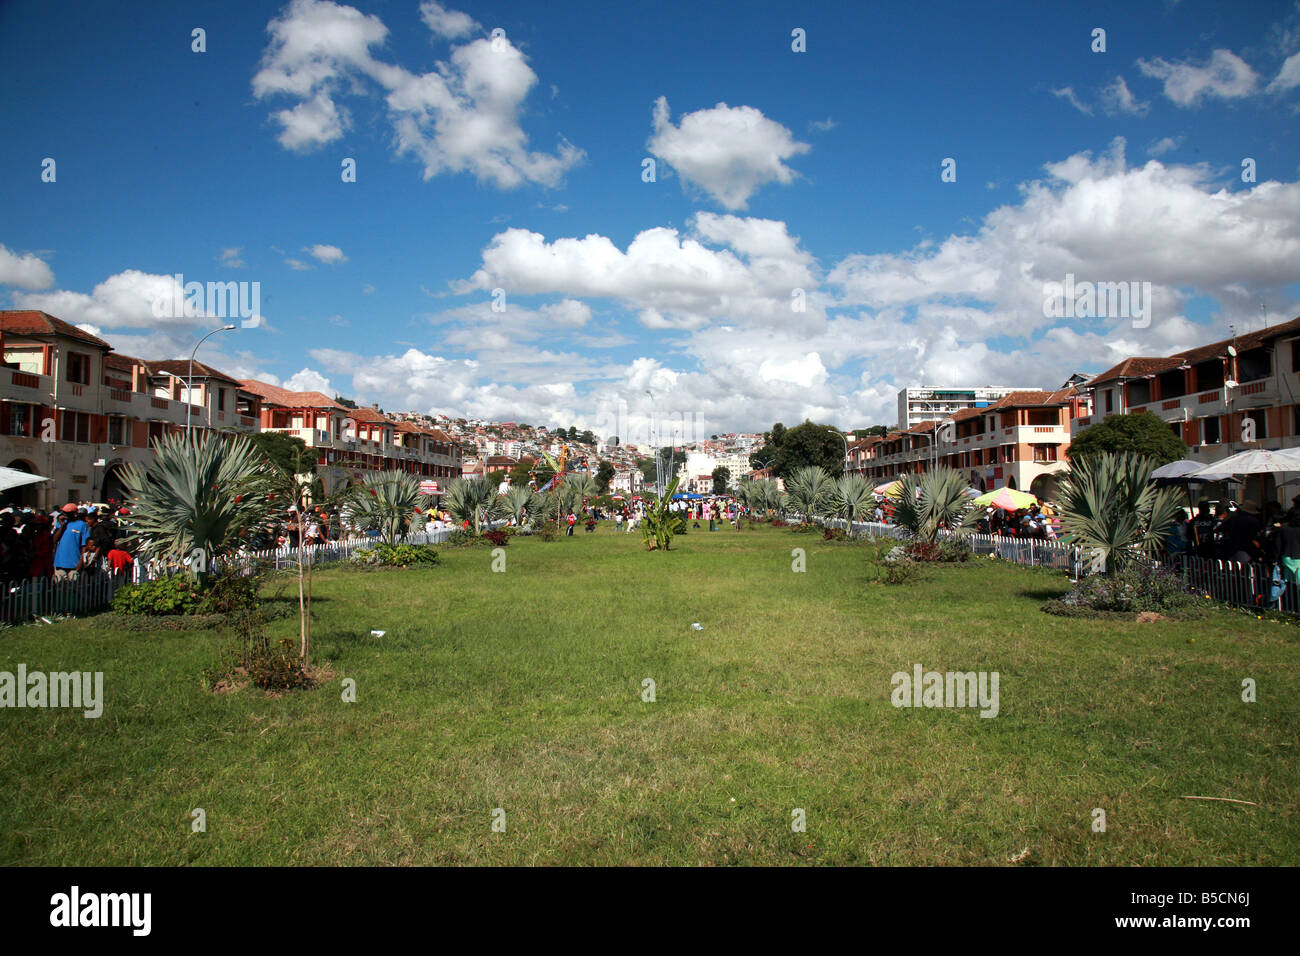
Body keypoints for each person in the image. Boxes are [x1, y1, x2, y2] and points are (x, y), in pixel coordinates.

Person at [52, 508, 89, 582]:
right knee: (59, 587)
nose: (65, 514)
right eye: (64, 512)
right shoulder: (62, 524)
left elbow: (84, 545)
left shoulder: (82, 525)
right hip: (60, 563)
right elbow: (54, 540)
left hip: (74, 563)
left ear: (74, 513)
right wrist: (62, 526)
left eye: (67, 513)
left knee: (73, 588)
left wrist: (81, 561)